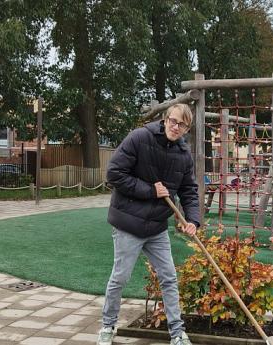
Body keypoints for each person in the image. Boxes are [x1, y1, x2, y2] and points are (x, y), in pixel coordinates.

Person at [97, 104, 200, 345]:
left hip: (156, 227)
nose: (176, 127)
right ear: (165, 119)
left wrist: (193, 220)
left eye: (182, 124)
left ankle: (177, 334)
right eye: (173, 121)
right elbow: (114, 173)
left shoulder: (184, 155)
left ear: (187, 128)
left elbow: (189, 191)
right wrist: (150, 190)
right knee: (120, 278)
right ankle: (107, 326)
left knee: (169, 278)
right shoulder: (139, 137)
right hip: (128, 223)